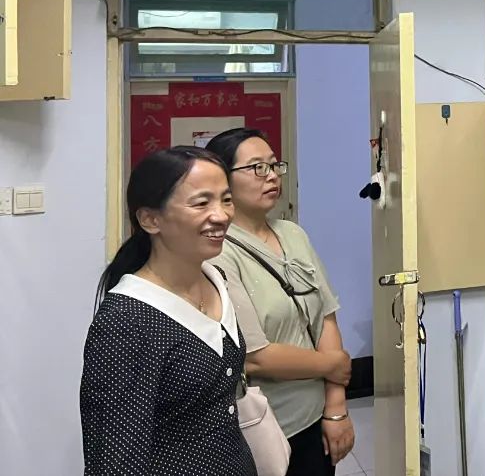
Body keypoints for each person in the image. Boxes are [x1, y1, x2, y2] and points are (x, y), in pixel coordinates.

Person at [81, 147, 256, 476]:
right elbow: (114, 461)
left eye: (226, 199)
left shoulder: (215, 278)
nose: (221, 215)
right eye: (201, 203)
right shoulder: (125, 321)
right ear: (150, 219)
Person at [206, 128, 354, 476]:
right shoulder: (216, 252)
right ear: (223, 180)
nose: (271, 175)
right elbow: (255, 356)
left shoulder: (293, 234)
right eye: (257, 167)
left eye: (274, 165)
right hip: (265, 426)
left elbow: (325, 317)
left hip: (316, 416)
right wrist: (332, 366)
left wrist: (336, 407)